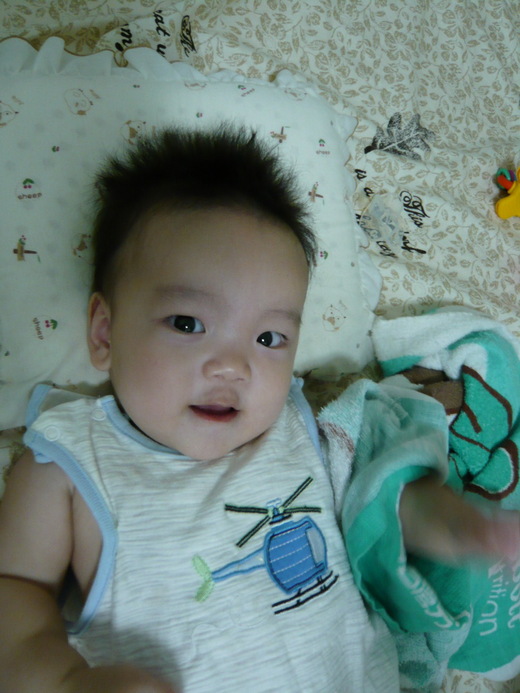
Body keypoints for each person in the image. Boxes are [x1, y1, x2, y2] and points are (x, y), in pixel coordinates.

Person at [0, 126, 518, 693]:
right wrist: (65, 681)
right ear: (104, 333)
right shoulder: (71, 461)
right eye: (188, 323)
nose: (233, 367)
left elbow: (383, 505)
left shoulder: (307, 431)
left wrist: (458, 525)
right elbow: (15, 590)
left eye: (269, 338)